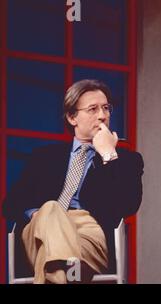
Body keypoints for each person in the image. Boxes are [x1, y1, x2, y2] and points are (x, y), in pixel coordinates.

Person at [2, 79, 144, 283]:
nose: (102, 116)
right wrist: (40, 216)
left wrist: (108, 155)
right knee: (51, 209)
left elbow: (127, 205)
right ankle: (72, 272)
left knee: (52, 261)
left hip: (88, 234)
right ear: (72, 117)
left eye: (106, 108)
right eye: (93, 109)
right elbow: (11, 204)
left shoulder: (127, 160)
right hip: (40, 232)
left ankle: (63, 273)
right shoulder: (44, 157)